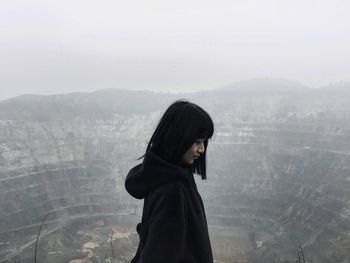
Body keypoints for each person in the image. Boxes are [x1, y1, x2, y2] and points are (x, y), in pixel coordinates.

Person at [125, 100, 214, 263]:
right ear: (178, 139)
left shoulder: (165, 176)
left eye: (204, 142)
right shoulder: (172, 190)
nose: (202, 149)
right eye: (197, 142)